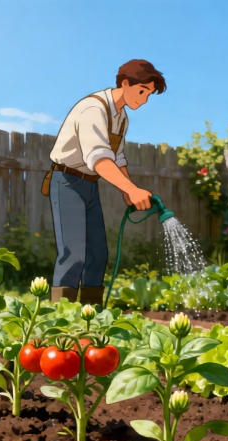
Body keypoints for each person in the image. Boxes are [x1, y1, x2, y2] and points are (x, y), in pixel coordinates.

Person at [44, 59, 166, 305]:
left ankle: (92, 314)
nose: (144, 100)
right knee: (73, 254)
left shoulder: (121, 117)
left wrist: (127, 191)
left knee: (97, 254)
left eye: (148, 95)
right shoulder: (93, 109)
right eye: (142, 91)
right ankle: (61, 316)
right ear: (125, 83)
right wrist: (131, 189)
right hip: (67, 181)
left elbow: (117, 158)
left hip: (89, 184)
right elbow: (99, 159)